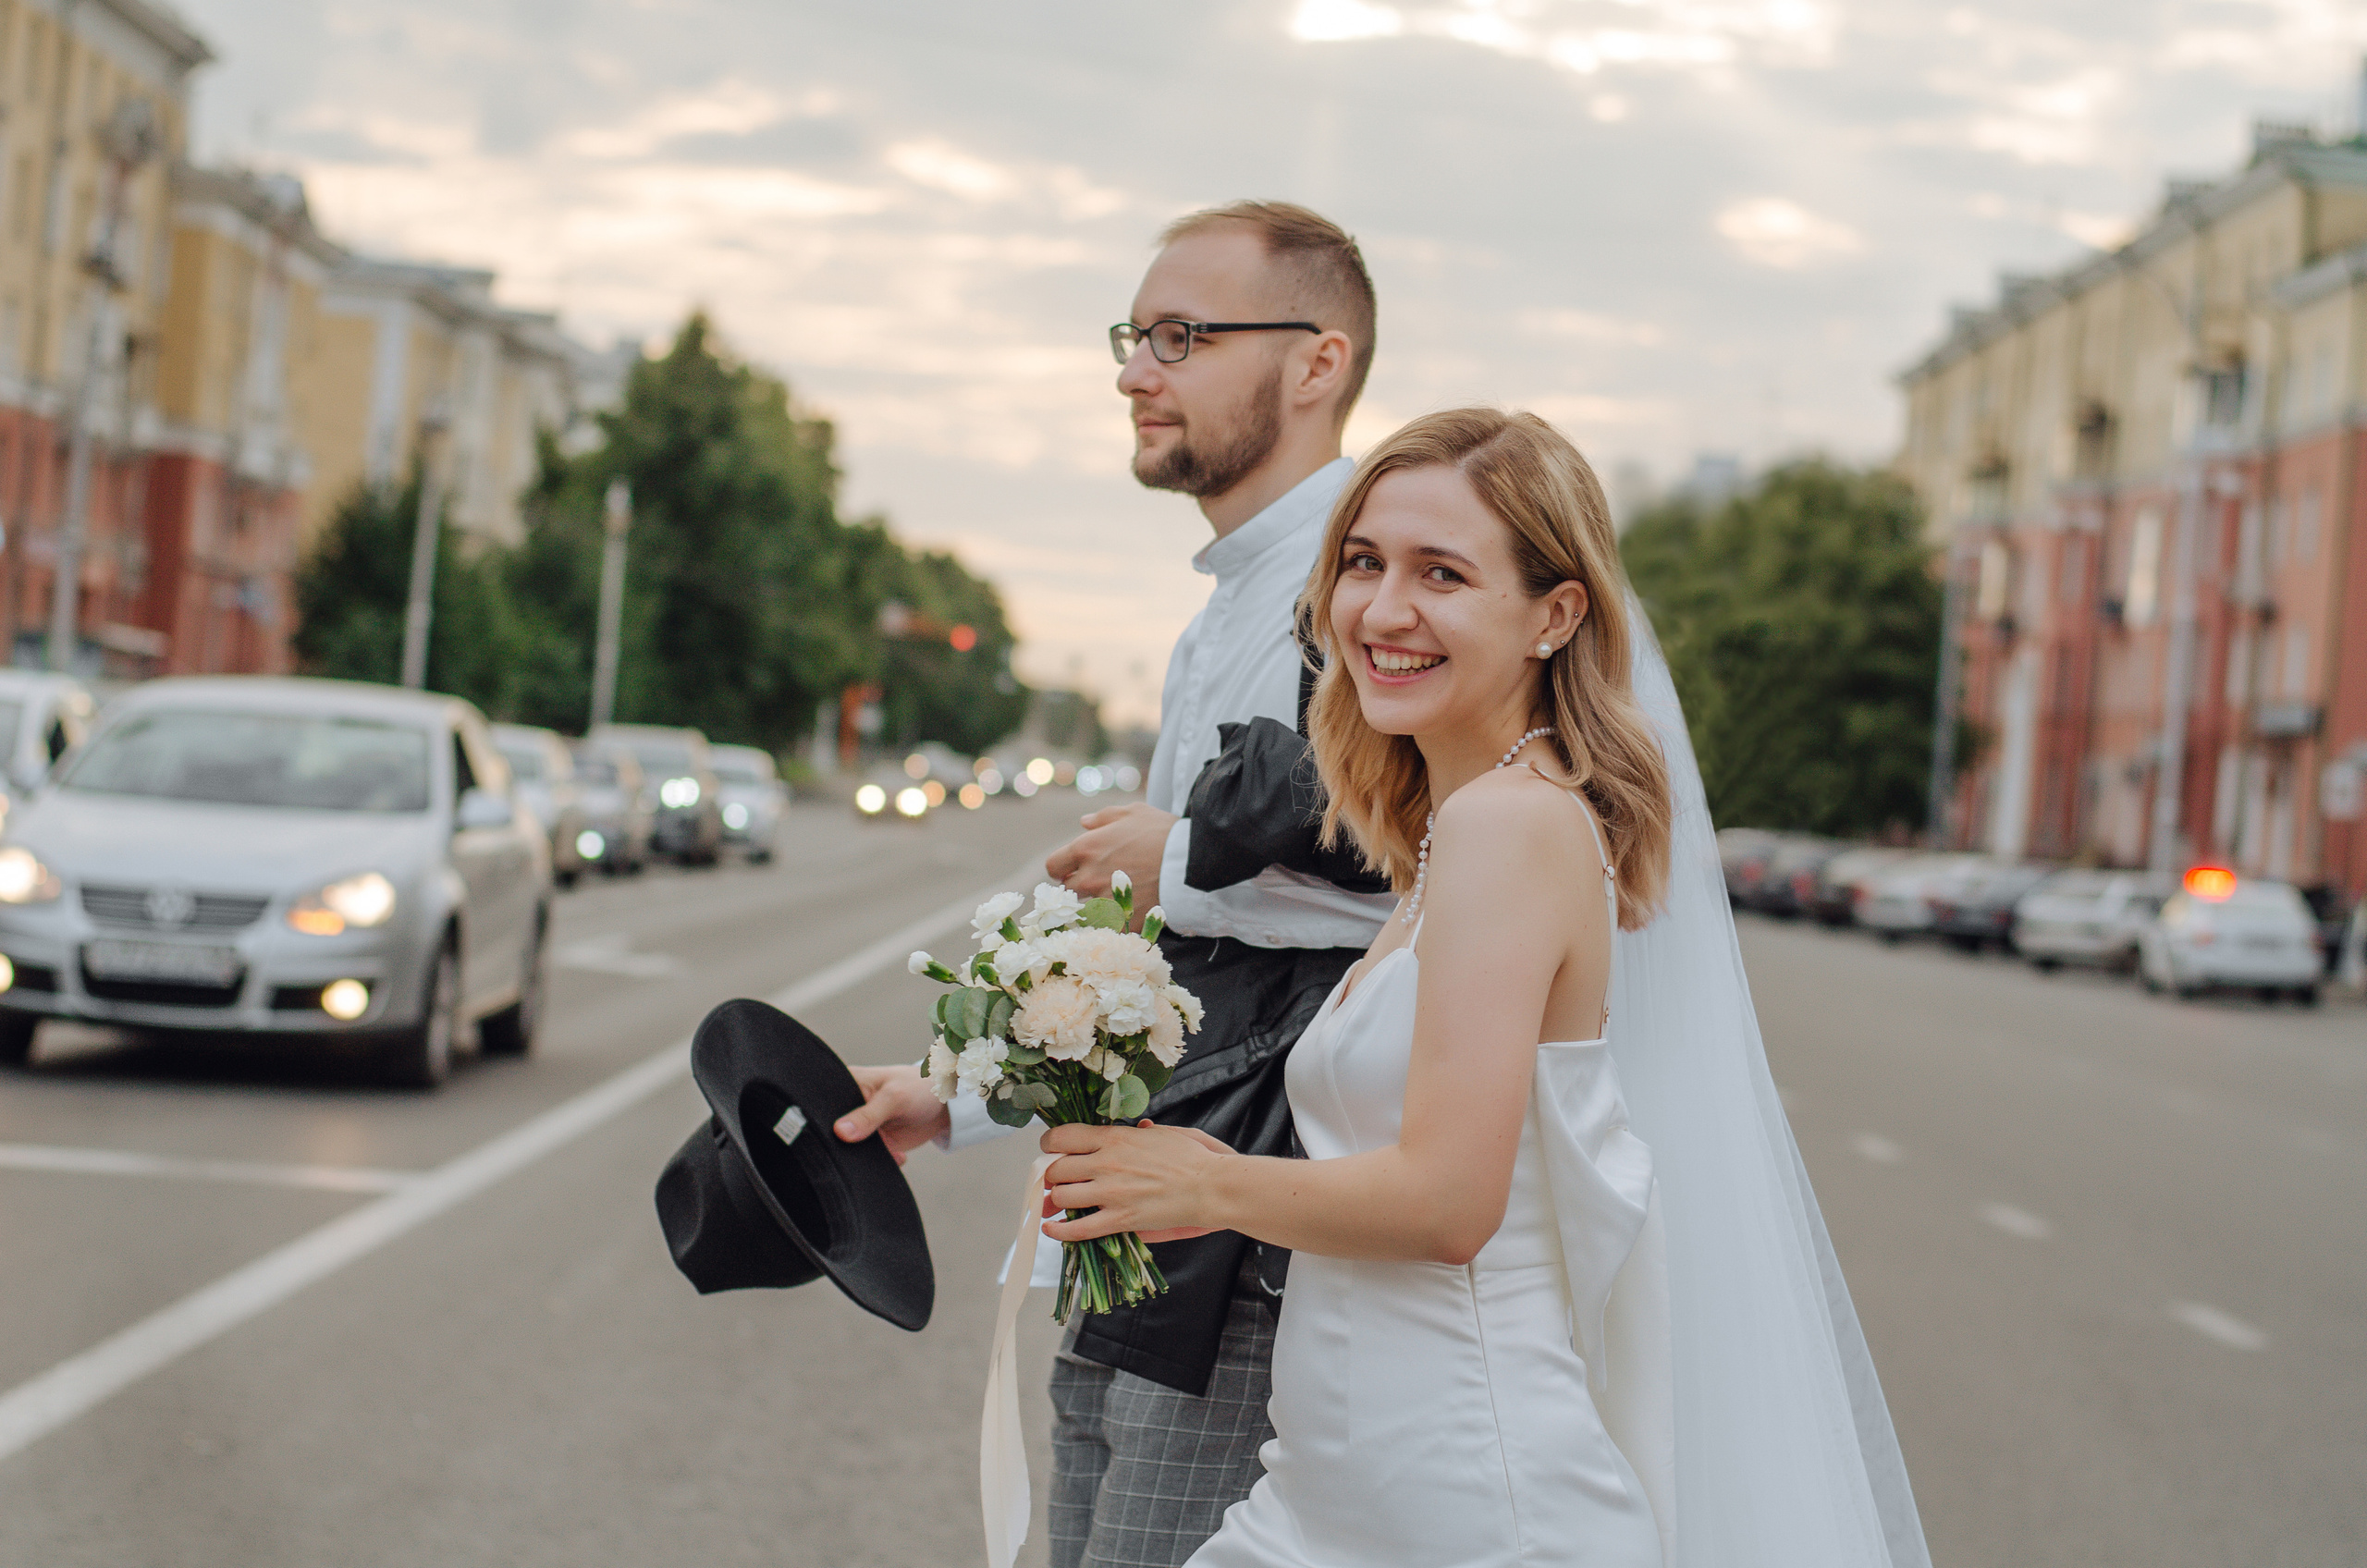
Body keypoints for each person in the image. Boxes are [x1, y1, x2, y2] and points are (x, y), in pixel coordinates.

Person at [1037, 409, 1932, 1568]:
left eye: (1442, 575)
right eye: (1363, 563)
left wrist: (1202, 1181)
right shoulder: (1458, 828)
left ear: (1555, 615)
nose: (1383, 609)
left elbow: (1449, 1204)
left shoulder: (1511, 827)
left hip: (1461, 1489)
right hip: (1344, 1477)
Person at [831, 201, 1399, 1568]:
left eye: (1182, 338)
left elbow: (1426, 864)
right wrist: (956, 1092)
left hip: (1247, 1222)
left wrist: (1183, 852)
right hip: (1154, 1208)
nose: (1137, 372)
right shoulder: (1233, 606)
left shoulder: (1371, 597)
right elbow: (1162, 954)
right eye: (1134, 338)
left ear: (1317, 365)